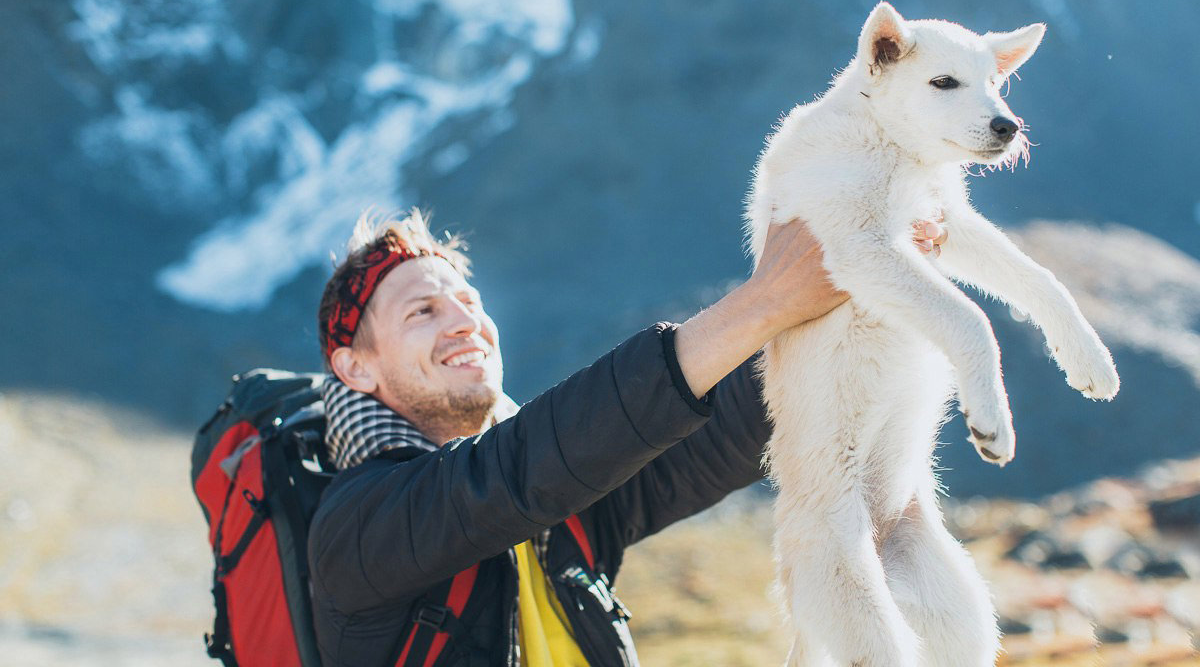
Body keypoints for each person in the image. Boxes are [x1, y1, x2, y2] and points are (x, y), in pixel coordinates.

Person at [307, 209, 947, 666]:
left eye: (470, 302)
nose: (464, 322)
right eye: (423, 311)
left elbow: (715, 436)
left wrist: (850, 306)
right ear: (355, 368)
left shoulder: (563, 509)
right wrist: (767, 300)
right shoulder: (356, 527)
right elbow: (513, 473)